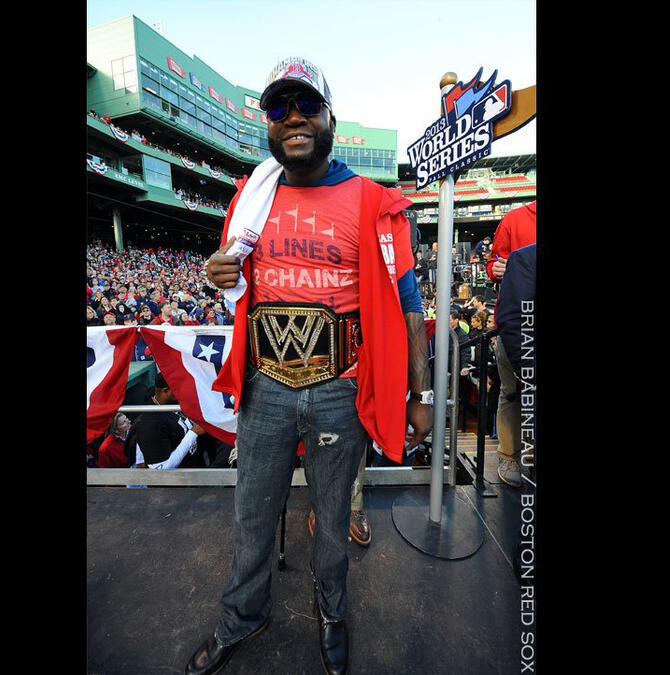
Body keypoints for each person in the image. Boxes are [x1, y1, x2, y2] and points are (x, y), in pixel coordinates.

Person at [186, 57, 432, 675]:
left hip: (338, 389)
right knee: (251, 513)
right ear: (268, 123)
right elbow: (232, 277)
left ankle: (331, 611)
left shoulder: (373, 201)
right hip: (265, 384)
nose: (292, 116)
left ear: (328, 116)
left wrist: (422, 396)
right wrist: (220, 274)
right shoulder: (250, 196)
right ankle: (243, 617)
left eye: (306, 105)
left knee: (332, 522)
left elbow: (407, 304)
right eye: (278, 107)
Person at [484, 201, 537, 487]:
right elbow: (493, 266)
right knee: (512, 391)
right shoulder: (516, 219)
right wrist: (502, 270)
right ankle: (509, 454)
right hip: (519, 323)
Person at [495, 243, 536, 484]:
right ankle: (510, 454)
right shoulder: (525, 258)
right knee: (512, 395)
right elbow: (513, 320)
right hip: (521, 349)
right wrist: (529, 368)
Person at [125, 372, 207, 469]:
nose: (182, 391)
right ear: (166, 391)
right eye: (178, 388)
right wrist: (193, 433)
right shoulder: (150, 423)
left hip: (195, 470)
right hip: (181, 481)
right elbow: (162, 468)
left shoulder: (172, 403)